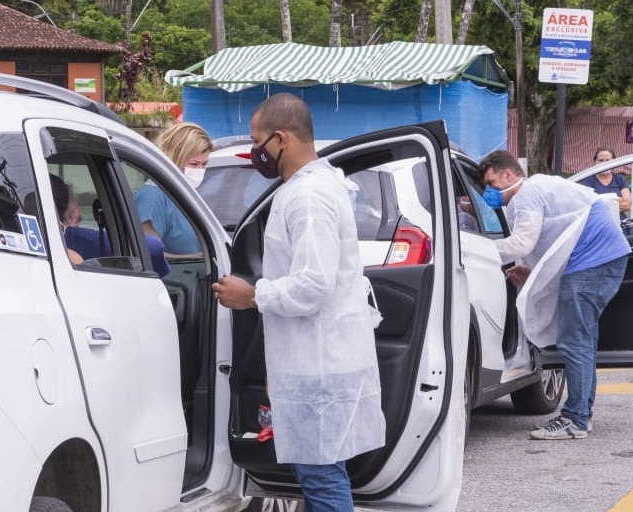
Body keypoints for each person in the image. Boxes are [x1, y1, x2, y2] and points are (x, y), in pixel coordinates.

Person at [210, 93, 385, 511]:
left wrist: (251, 295)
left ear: (281, 138)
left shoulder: (308, 198)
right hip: (313, 358)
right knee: (319, 474)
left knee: (322, 477)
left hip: (319, 364)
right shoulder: (315, 187)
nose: (256, 152)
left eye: (258, 142)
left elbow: (313, 284)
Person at [478, 150, 631, 440]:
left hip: (593, 261)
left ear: (508, 174)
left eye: (491, 183)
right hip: (600, 258)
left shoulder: (527, 193)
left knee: (575, 341)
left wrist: (472, 250)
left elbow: (524, 240)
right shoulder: (539, 187)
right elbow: (554, 239)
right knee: (583, 340)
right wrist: (530, 270)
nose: (490, 192)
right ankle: (582, 414)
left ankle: (575, 420)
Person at [48, 174, 170, 276]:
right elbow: (153, 246)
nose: (79, 226)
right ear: (69, 217)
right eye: (77, 219)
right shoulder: (74, 247)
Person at [133, 122, 211, 256]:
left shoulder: (183, 192)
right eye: (193, 164)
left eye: (204, 164)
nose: (199, 170)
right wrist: (195, 258)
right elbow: (148, 255)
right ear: (174, 158)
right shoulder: (154, 197)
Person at [579, 147, 632, 220]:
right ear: (595, 162)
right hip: (597, 222)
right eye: (601, 160)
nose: (604, 163)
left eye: (607, 160)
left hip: (620, 223)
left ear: (613, 162)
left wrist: (600, 203)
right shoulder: (587, 181)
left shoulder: (620, 179)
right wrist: (615, 202)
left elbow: (627, 205)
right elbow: (587, 206)